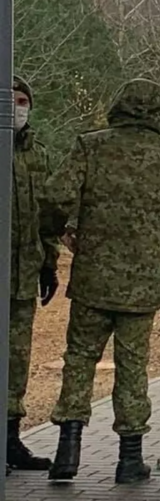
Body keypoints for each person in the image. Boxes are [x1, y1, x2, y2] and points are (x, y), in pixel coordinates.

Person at [40, 78, 160, 483]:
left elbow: (54, 196)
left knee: (80, 359)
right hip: (143, 283)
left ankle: (67, 451)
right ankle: (129, 458)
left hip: (92, 277)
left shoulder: (90, 147)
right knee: (132, 366)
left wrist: (58, 231)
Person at [6, 76, 58, 475]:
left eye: (24, 101)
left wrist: (49, 263)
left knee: (17, 358)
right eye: (12, 100)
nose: (19, 108)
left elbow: (48, 214)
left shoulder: (38, 154)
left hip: (24, 276)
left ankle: (9, 439)